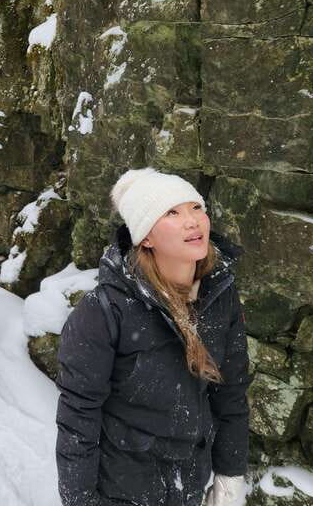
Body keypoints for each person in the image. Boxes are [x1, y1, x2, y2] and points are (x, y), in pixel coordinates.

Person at [55, 168, 251, 506]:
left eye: (195, 208)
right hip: (123, 490)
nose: (192, 221)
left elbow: (231, 393)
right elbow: (78, 417)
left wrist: (229, 475)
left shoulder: (220, 295)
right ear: (146, 236)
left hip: (190, 483)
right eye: (172, 212)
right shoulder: (104, 311)